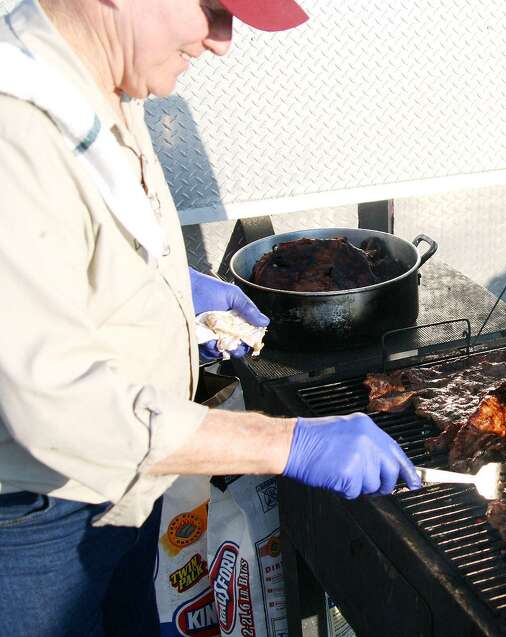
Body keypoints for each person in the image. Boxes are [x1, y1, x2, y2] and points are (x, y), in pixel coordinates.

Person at [0, 0, 421, 634]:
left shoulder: (105, 79)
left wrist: (168, 289)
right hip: (34, 520)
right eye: (215, 8)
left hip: (120, 490)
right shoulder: (15, 127)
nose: (224, 42)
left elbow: (74, 249)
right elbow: (55, 403)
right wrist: (287, 442)